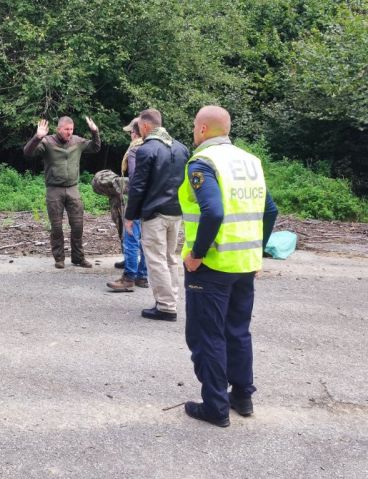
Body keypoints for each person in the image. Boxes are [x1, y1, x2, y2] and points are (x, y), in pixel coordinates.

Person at [180, 105, 278, 427]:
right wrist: (256, 252)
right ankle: (242, 396)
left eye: (195, 127)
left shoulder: (203, 162)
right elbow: (270, 211)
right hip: (244, 265)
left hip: (211, 266)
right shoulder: (250, 162)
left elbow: (213, 211)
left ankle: (215, 407)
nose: (193, 132)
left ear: (203, 129)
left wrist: (197, 254)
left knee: (207, 336)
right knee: (237, 331)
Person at [124, 109, 189, 319]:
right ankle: (171, 300)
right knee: (170, 258)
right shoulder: (182, 148)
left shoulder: (146, 149)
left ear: (145, 126)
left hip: (155, 213)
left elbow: (138, 186)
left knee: (156, 260)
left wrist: (130, 215)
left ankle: (165, 306)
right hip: (176, 212)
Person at [23, 116, 101, 269]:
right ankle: (59, 258)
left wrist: (95, 131)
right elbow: (28, 152)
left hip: (73, 189)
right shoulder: (47, 142)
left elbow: (95, 147)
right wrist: (37, 137)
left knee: (77, 226)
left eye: (71, 129)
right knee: (57, 227)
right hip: (54, 189)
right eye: (66, 129)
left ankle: (78, 258)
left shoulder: (77, 141)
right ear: (58, 129)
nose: (69, 132)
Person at [107, 118, 148, 291]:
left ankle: (129, 277)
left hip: (137, 199)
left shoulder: (135, 149)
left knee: (131, 237)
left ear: (135, 133)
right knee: (145, 239)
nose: (130, 135)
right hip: (152, 201)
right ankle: (143, 276)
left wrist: (132, 205)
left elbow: (134, 179)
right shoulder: (154, 147)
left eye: (131, 132)